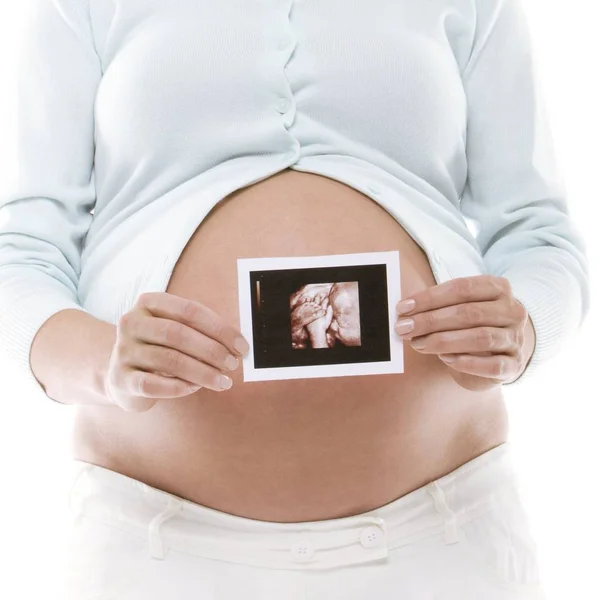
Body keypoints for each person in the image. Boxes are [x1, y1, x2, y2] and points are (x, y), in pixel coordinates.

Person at [0, 0, 590, 598]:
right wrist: (103, 365)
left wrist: (524, 329)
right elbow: (19, 254)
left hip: (445, 536)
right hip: (153, 545)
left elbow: (540, 237)